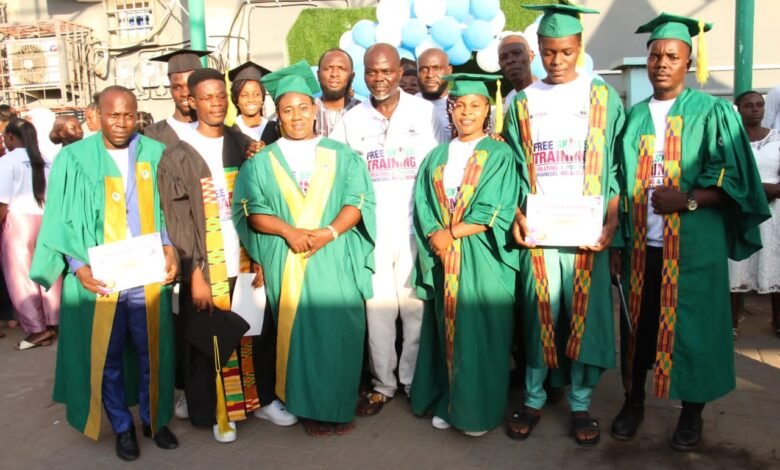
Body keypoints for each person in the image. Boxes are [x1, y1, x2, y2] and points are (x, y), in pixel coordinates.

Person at [610, 13, 770, 451]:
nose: (662, 62)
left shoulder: (714, 112)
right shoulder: (634, 117)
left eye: (672, 56)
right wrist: (619, 242)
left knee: (694, 329)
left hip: (695, 248)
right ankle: (634, 400)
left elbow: (737, 181)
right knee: (638, 329)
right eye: (656, 54)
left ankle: (692, 411)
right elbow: (618, 184)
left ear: (688, 62)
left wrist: (690, 199)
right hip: (645, 246)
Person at [30, 86, 179, 461]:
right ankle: (122, 427)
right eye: (113, 115)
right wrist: (77, 268)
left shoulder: (153, 153)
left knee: (152, 351)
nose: (121, 122)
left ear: (137, 115)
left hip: (145, 272)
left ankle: (154, 419)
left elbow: (165, 212)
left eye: (129, 115)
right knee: (107, 356)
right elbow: (60, 219)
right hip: (101, 275)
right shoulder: (75, 159)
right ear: (96, 114)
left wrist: (168, 246)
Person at [502, 3, 625, 446]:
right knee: (539, 316)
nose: (557, 62)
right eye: (549, 52)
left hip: (587, 233)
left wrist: (612, 221)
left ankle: (580, 402)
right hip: (541, 233)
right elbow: (513, 169)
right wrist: (517, 214)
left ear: (579, 48)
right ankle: (534, 398)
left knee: (585, 317)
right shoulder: (522, 102)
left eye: (566, 52)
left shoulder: (602, 97)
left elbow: (616, 168)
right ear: (538, 50)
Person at [232, 61, 376, 436]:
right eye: (286, 109)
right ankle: (307, 406)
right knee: (299, 334)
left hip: (334, 254)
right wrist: (289, 232)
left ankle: (339, 404)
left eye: (302, 107)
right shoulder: (261, 162)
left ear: (314, 108)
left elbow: (357, 200)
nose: (296, 116)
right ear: (277, 115)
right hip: (288, 256)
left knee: (340, 327)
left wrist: (328, 232)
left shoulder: (340, 154)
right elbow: (251, 210)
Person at [158, 67, 296, 443]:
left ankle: (261, 399)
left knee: (254, 332)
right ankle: (219, 409)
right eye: (206, 97)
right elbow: (178, 218)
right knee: (211, 337)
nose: (216, 103)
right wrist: (195, 272)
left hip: (245, 254)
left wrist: (263, 256)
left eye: (221, 96)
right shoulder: (178, 155)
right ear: (191, 101)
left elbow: (260, 203)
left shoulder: (241, 143)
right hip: (207, 262)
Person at [331, 43, 441, 416]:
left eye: (386, 71)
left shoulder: (426, 114)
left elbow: (443, 167)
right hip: (372, 234)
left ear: (399, 72)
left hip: (415, 229)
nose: (379, 79)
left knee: (414, 311)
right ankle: (383, 384)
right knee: (377, 312)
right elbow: (337, 175)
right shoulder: (351, 120)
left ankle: (412, 382)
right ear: (363, 74)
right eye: (371, 72)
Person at [410, 74, 520, 436]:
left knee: (481, 335)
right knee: (448, 332)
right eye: (460, 106)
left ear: (488, 109)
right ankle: (450, 402)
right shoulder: (437, 155)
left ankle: (477, 413)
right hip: (445, 257)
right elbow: (424, 203)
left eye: (476, 105)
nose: (467, 113)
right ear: (450, 109)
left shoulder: (500, 153)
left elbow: (496, 207)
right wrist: (434, 235)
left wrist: (450, 233)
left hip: (483, 258)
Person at [0, 118, 62, 349]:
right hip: (47, 218)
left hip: (20, 220)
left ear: (11, 137)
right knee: (50, 272)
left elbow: (3, 200)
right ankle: (53, 320)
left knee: (21, 276)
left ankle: (37, 329)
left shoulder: (9, 161)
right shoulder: (47, 160)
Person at [729, 91, 780, 338]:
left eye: (759, 105)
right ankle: (731, 323)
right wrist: (757, 190)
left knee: (775, 261)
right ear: (738, 109)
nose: (755, 109)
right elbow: (728, 176)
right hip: (742, 210)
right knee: (737, 264)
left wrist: (773, 190)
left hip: (774, 211)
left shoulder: (777, 139)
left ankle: (777, 321)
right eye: (748, 105)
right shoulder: (730, 142)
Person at [145, 49, 211, 148]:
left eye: (190, 85)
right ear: (170, 88)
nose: (185, 93)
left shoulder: (218, 131)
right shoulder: (153, 135)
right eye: (177, 87)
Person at [229, 61, 280, 144]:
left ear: (262, 97)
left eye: (256, 94)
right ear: (235, 99)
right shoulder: (230, 131)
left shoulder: (275, 129)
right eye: (244, 95)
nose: (251, 100)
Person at [315, 49, 361, 137]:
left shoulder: (364, 112)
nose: (334, 74)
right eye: (328, 68)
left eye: (341, 69)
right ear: (318, 75)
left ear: (352, 77)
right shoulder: (306, 112)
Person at [416, 48, 453, 142]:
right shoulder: (406, 105)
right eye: (424, 69)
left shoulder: (460, 106)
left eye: (437, 69)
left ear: (449, 70)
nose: (430, 75)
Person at [498, 33, 536, 109]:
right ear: (500, 64)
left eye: (517, 53)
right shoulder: (509, 99)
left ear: (531, 56)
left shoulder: (549, 92)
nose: (510, 60)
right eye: (503, 57)